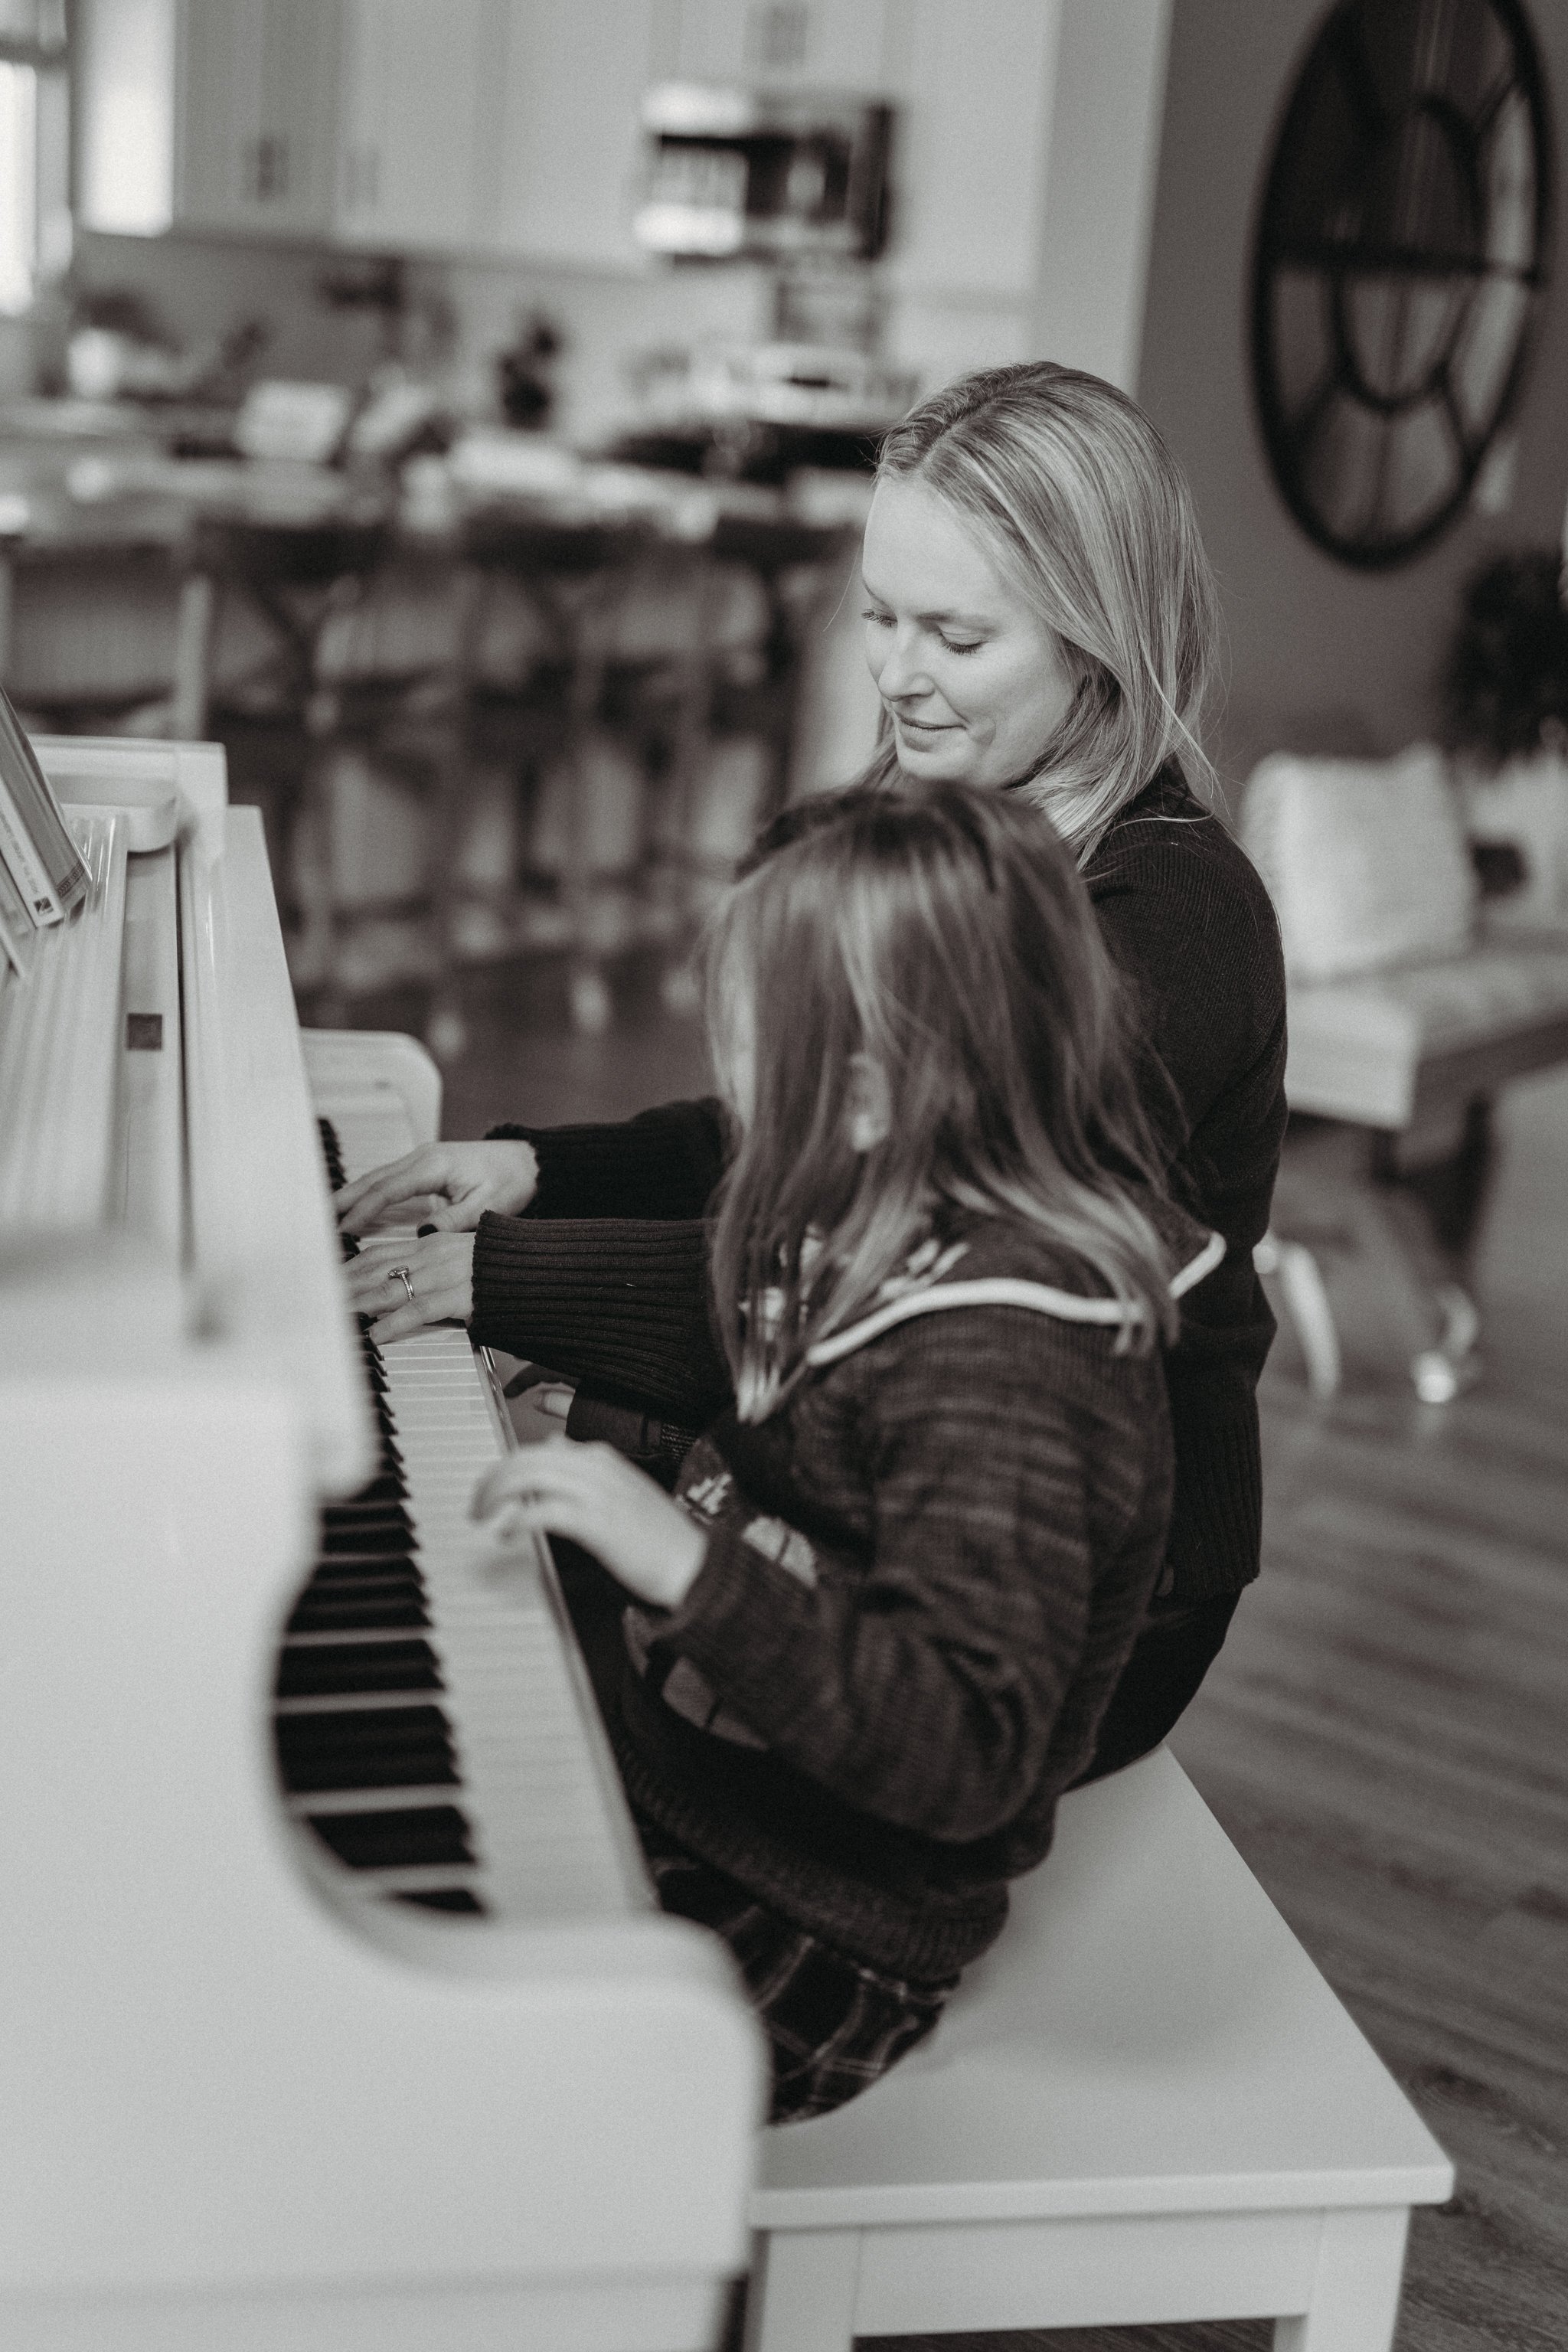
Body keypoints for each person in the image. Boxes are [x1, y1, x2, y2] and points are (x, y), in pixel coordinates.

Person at [335, 360, 1287, 1781]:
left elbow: (896, 1259)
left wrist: (512, 1284)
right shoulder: (961, 825)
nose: (898, 675)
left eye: (957, 638)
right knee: (502, 1494)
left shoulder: (1166, 922)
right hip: (886, 1439)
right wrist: (546, 1175)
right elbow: (813, 1131)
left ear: (1097, 646)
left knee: (539, 1660)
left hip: (1070, 1579)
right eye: (879, 617)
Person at [455, 782, 1220, 2119]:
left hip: (810, 1931)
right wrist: (493, 1286)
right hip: (697, 1785)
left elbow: (968, 1748)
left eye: (748, 1054)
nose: (728, 1093)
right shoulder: (898, 1210)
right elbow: (743, 1328)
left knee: (449, 2078)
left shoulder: (1011, 1359)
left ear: (867, 1094)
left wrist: (681, 1563)